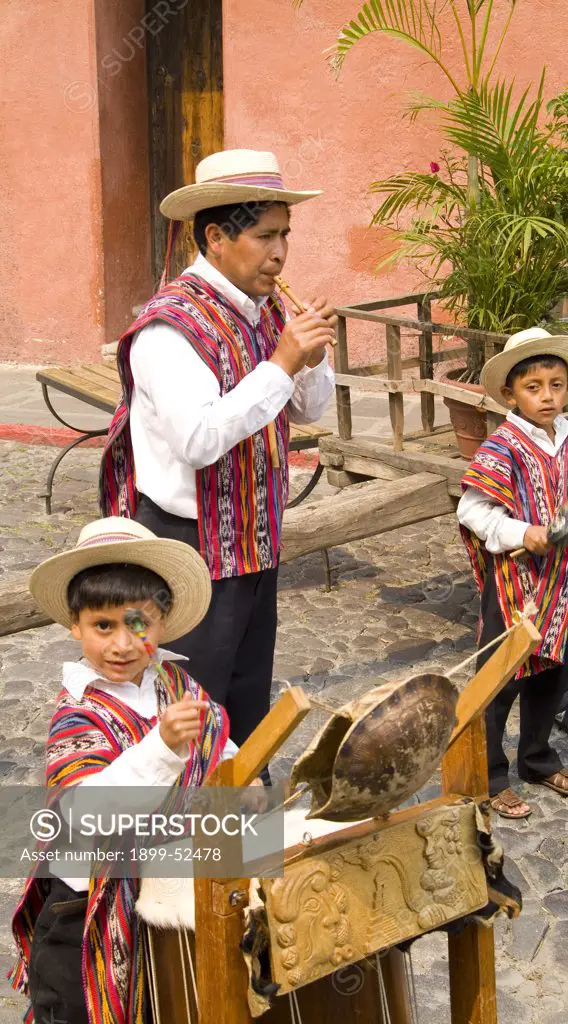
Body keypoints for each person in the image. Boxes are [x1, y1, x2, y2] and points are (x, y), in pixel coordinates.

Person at [99, 149, 336, 766]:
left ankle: (241, 848)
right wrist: (282, 361)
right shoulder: (168, 329)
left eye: (285, 234)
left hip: (256, 542)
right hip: (188, 548)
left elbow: (309, 412)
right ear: (216, 237)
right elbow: (198, 440)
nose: (280, 253)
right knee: (189, 709)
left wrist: (309, 361)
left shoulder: (267, 311)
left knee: (247, 702)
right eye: (264, 235)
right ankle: (184, 852)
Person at [10, 517, 260, 1024]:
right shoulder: (78, 715)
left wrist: (246, 784)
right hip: (84, 915)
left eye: (138, 625)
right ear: (76, 626)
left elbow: (220, 747)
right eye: (104, 627)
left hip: (156, 895)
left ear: (161, 624)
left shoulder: (175, 683)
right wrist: (162, 748)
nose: (122, 644)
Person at [457, 328, 568, 819]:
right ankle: (488, 776)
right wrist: (525, 533)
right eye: (534, 387)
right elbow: (473, 510)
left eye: (556, 384)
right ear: (511, 393)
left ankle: (536, 759)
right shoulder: (502, 446)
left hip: (562, 576)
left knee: (553, 668)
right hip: (515, 582)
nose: (547, 395)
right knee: (500, 678)